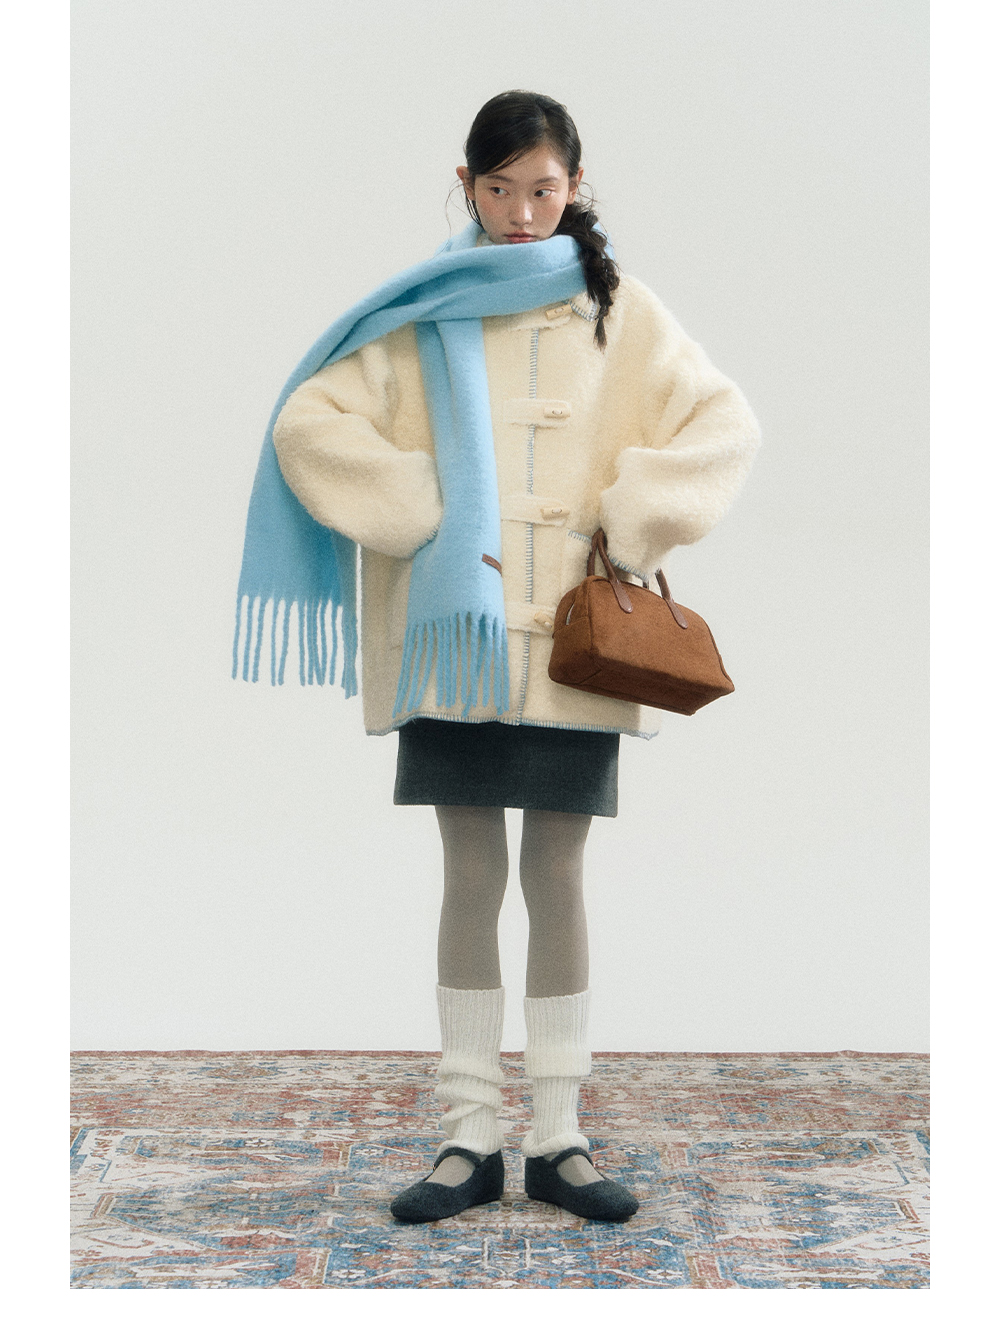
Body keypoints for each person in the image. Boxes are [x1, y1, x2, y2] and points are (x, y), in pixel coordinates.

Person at [235, 90, 760, 1224]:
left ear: (576, 186)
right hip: (453, 643)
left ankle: (560, 1134)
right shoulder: (421, 313)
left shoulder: (622, 313)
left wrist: (630, 519)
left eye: (544, 189)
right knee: (469, 874)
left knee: (557, 873)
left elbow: (723, 426)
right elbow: (307, 422)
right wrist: (424, 512)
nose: (523, 213)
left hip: (575, 649)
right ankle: (468, 1132)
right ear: (466, 185)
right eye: (500, 188)